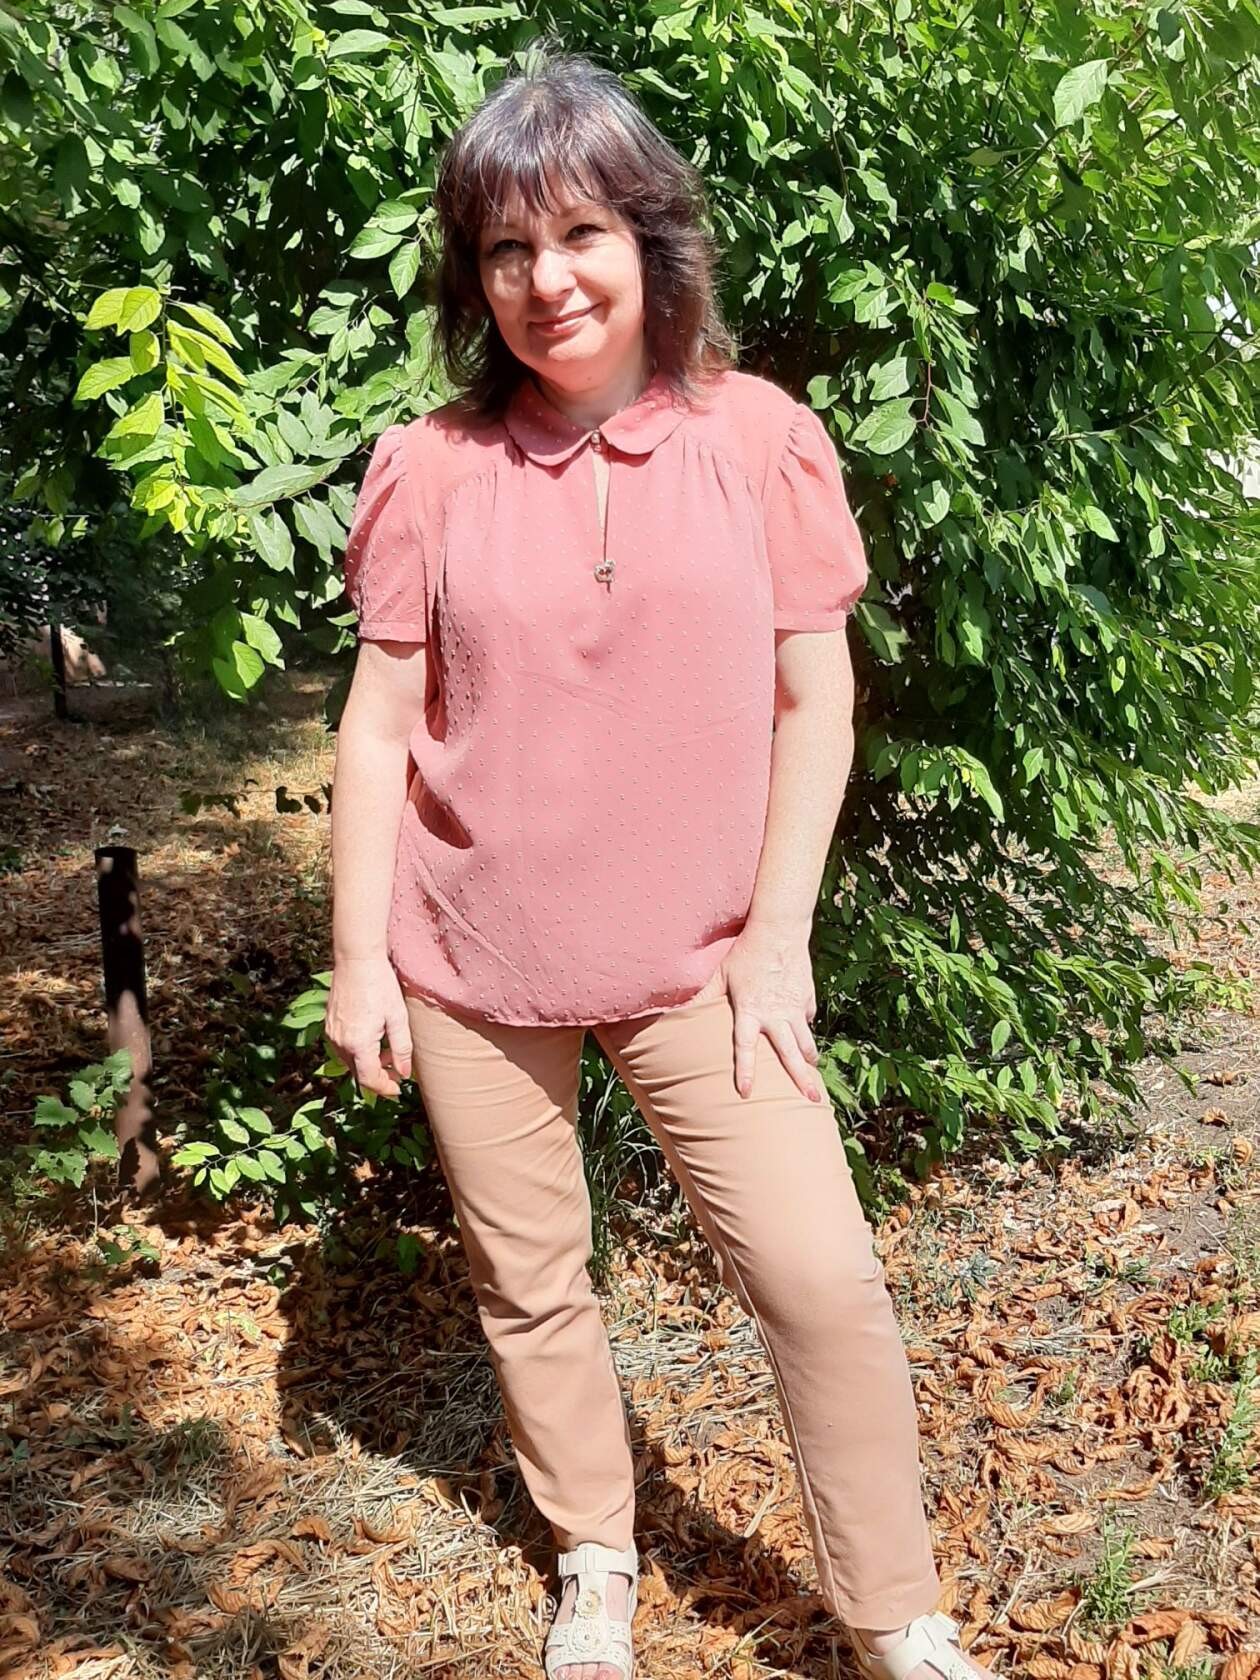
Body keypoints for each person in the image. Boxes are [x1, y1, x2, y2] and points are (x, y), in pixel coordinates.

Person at [327, 37, 993, 1680]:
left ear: (649, 241)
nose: (547, 280)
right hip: (472, 956)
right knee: (533, 1286)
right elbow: (377, 722)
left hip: (705, 959)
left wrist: (777, 938)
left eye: (581, 234)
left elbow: (816, 698)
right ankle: (598, 1560)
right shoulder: (432, 469)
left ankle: (892, 1614)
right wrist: (359, 962)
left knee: (823, 1279)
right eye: (507, 247)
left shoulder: (760, 441)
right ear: (474, 275)